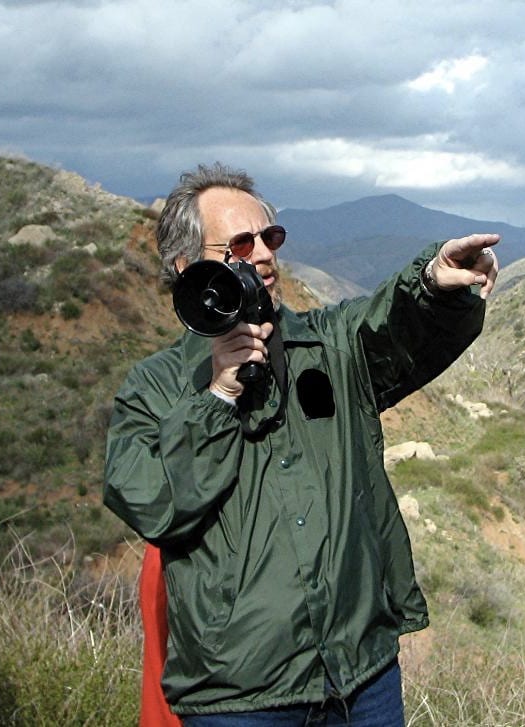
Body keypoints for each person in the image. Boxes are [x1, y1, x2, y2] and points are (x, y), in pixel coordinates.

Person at [103, 162, 499, 725]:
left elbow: (396, 323)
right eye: (241, 243)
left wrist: (434, 282)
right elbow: (154, 505)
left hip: (363, 679)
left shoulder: (330, 346)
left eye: (271, 237)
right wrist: (216, 397)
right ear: (188, 267)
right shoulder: (156, 389)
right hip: (241, 697)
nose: (264, 254)